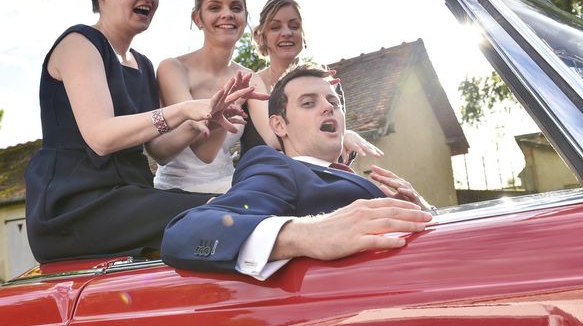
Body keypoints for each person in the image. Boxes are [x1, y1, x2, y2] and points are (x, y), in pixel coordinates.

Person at [25, 0, 260, 263]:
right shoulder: (78, 44)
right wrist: (183, 109)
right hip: (75, 209)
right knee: (225, 213)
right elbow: (101, 137)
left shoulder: (143, 65)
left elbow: (160, 151)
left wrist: (208, 121)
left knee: (240, 204)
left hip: (132, 199)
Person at [161, 65, 435, 280]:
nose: (329, 107)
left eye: (333, 102)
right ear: (279, 125)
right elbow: (185, 232)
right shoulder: (276, 167)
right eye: (308, 103)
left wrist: (426, 211)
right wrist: (308, 234)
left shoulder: (353, 175)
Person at [154, 0, 266, 193]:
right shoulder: (173, 68)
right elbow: (203, 150)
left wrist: (338, 133)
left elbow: (274, 138)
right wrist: (222, 112)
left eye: (235, 8)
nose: (227, 14)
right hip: (175, 192)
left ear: (245, 17)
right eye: (215, 8)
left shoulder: (250, 78)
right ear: (198, 19)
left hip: (228, 186)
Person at [241, 0, 383, 163]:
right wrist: (345, 135)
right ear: (262, 36)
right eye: (275, 27)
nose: (286, 33)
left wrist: (343, 137)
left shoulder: (328, 85)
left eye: (294, 26)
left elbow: (333, 148)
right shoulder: (251, 85)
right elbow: (275, 141)